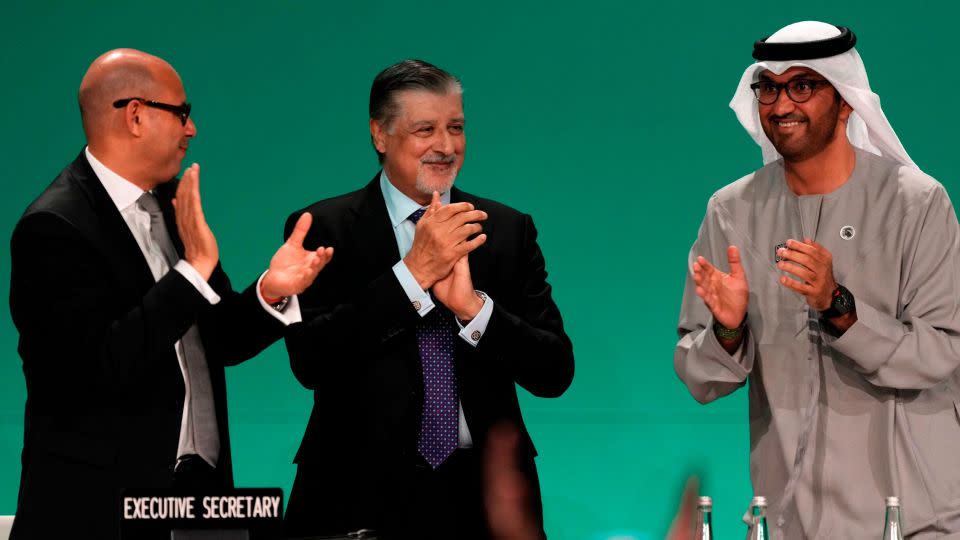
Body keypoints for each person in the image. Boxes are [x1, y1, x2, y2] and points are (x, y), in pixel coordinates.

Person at [8, 49, 333, 539]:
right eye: (181, 113)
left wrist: (271, 291)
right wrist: (191, 274)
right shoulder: (53, 227)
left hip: (199, 500)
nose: (192, 128)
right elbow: (90, 373)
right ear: (135, 115)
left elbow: (219, 340)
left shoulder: (171, 204)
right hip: (101, 509)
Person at [674, 21, 960, 538]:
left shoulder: (917, 204)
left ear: (845, 99)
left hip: (913, 518)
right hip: (790, 520)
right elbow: (701, 375)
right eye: (769, 87)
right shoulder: (732, 211)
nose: (781, 105)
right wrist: (729, 331)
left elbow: (941, 353)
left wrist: (839, 307)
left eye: (803, 85)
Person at [281, 59, 574, 539]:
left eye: (455, 128)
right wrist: (411, 277)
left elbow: (555, 370)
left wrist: (475, 311)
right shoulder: (323, 229)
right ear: (380, 134)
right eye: (425, 129)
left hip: (484, 495)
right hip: (356, 492)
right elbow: (311, 361)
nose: (445, 146)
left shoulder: (504, 230)